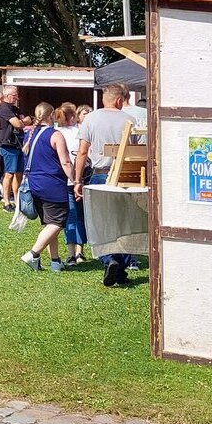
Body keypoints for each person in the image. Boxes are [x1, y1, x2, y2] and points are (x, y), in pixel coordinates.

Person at [74, 83, 136, 287]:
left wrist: (77, 180)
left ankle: (109, 260)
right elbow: (136, 152)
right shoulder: (129, 120)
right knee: (123, 223)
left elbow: (82, 152)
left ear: (104, 99)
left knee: (100, 222)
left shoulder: (91, 118)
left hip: (100, 175)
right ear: (120, 100)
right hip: (124, 177)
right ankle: (119, 266)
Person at [19, 102, 78, 272]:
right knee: (58, 221)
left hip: (34, 184)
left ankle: (55, 261)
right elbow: (66, 162)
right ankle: (33, 253)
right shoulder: (55, 134)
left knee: (50, 223)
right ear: (51, 115)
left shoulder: (30, 133)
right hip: (52, 184)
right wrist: (76, 181)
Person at [55, 102, 86, 264]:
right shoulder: (78, 132)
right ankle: (80, 251)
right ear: (73, 117)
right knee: (80, 215)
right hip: (78, 178)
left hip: (62, 180)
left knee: (70, 216)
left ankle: (70, 253)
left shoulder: (55, 133)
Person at [0, 87, 28, 213]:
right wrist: (22, 121)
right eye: (14, 95)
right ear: (7, 95)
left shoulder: (15, 109)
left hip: (18, 144)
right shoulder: (4, 108)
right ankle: (6, 201)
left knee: (19, 173)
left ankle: (17, 199)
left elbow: (28, 119)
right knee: (9, 173)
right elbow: (18, 124)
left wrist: (22, 121)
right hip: (8, 145)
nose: (17, 98)